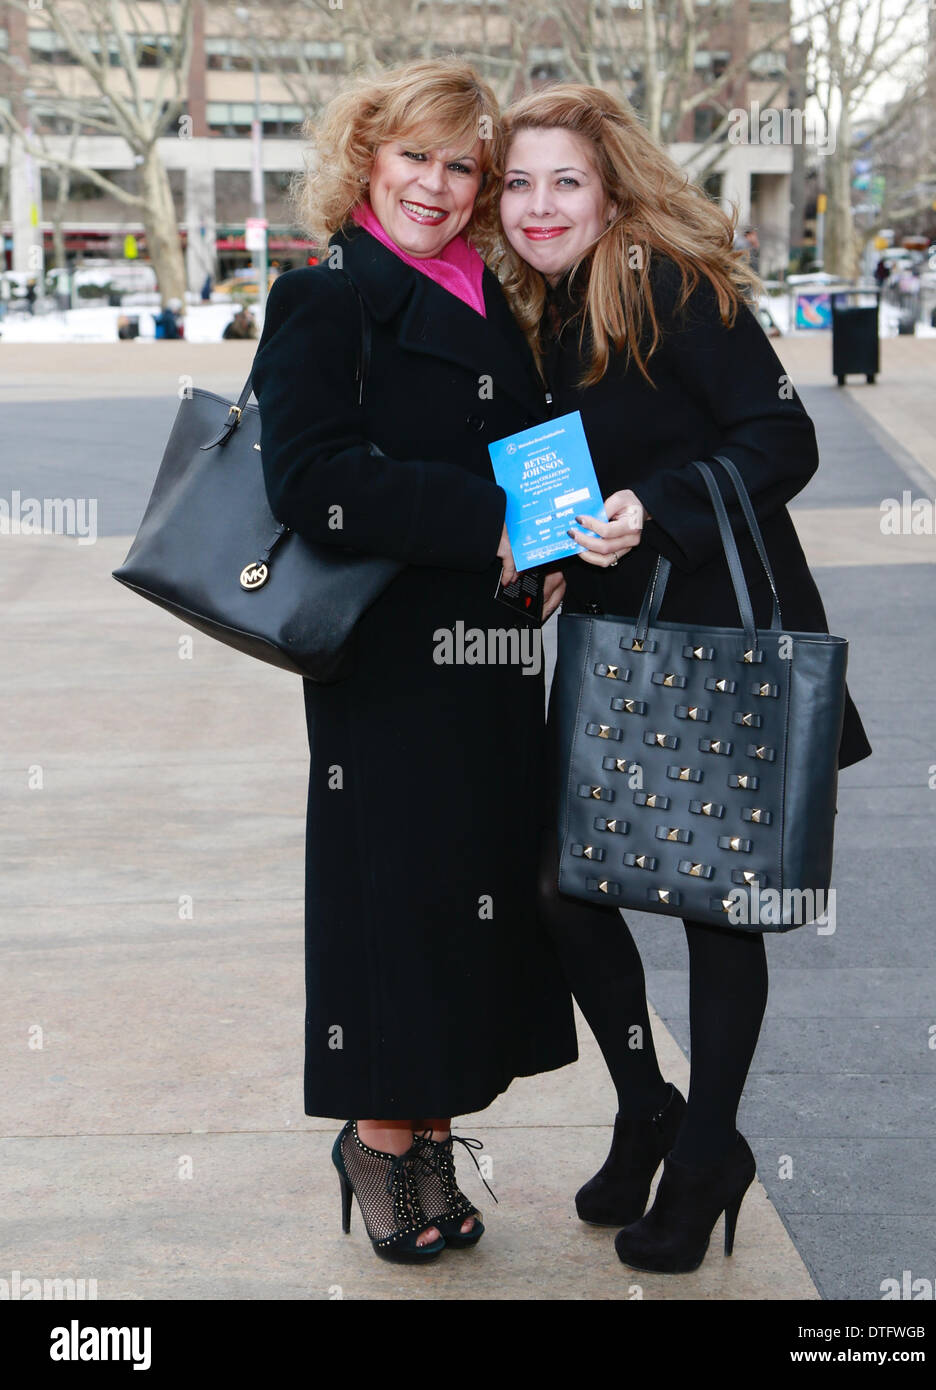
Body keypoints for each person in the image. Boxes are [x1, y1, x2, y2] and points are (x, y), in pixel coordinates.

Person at [494, 83, 872, 1274]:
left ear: (610, 189)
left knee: (714, 901)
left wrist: (655, 506)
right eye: (518, 182)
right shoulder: (538, 305)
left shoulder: (663, 279)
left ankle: (708, 1147)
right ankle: (649, 1103)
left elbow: (782, 438)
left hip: (715, 632)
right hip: (611, 632)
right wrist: (551, 555)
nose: (539, 204)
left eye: (565, 181)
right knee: (560, 885)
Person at [251, 59, 578, 1265]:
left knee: (467, 897)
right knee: (398, 896)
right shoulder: (328, 296)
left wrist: (547, 544)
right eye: (415, 159)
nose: (436, 185)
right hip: (387, 660)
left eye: (460, 166)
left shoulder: (489, 292)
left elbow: (534, 450)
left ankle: (430, 1142)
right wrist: (479, 520)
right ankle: (379, 1141)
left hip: (490, 654)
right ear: (365, 160)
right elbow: (311, 479)